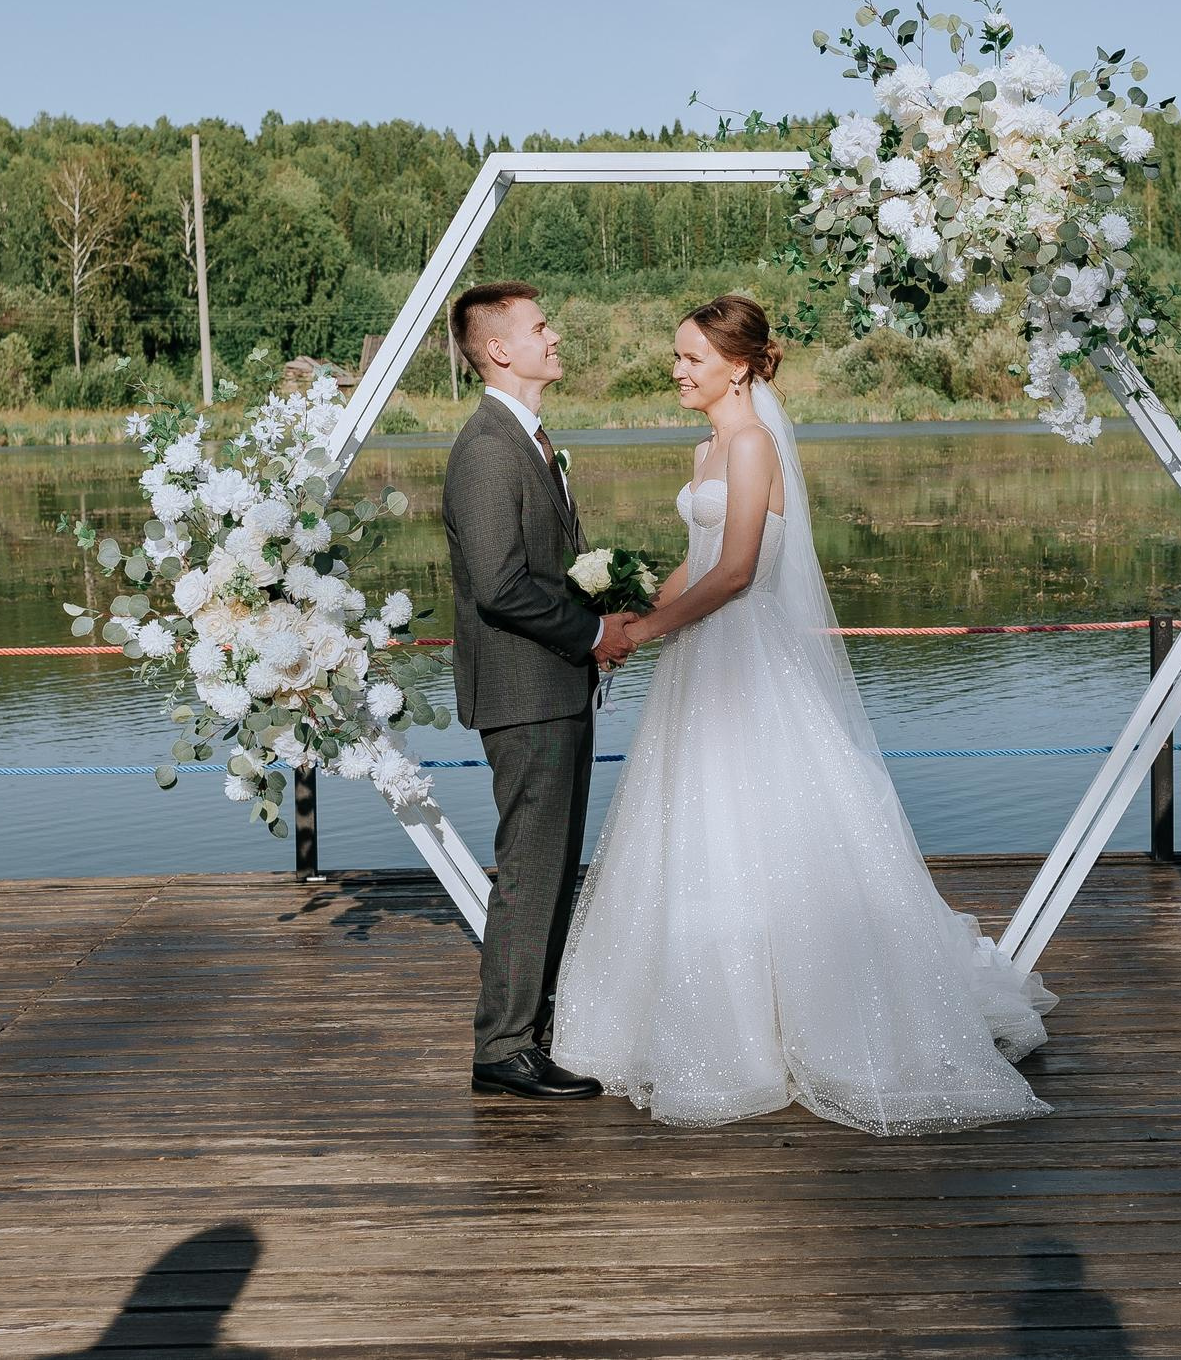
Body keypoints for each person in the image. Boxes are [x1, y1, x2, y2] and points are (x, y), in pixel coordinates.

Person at [548, 295, 1055, 1135]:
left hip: (744, 654)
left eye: (692, 358)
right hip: (702, 657)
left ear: (739, 364)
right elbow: (698, 562)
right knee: (697, 824)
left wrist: (647, 631)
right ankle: (711, 1011)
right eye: (677, 356)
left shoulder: (753, 444)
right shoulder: (707, 446)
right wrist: (629, 616)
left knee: (764, 823)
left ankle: (797, 1022)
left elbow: (738, 570)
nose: (677, 370)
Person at [443, 281, 635, 1101]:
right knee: (531, 866)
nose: (555, 337)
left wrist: (604, 604)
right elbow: (499, 586)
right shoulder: (489, 449)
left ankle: (532, 1028)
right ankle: (504, 1047)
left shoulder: (530, 438)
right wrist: (591, 632)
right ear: (499, 349)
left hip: (553, 686)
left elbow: (547, 569)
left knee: (551, 866)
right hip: (525, 695)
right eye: (540, 327)